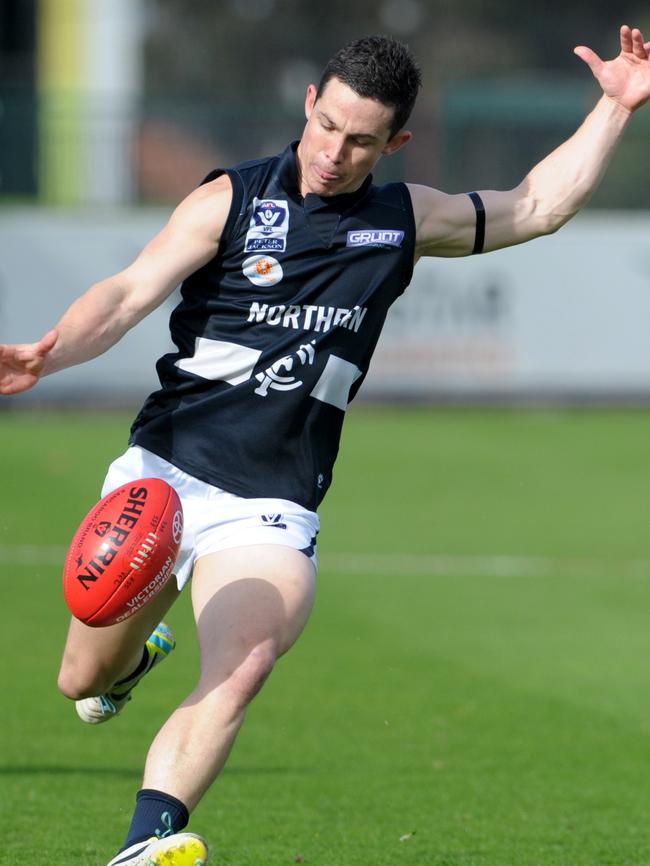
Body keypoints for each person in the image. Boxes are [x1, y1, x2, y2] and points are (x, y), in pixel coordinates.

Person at [1, 25, 649, 866]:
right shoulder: (229, 199)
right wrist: (49, 352)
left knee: (241, 663)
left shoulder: (400, 220)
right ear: (308, 104)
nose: (334, 153)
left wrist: (614, 105)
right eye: (327, 127)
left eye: (361, 140)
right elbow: (128, 293)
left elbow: (536, 207)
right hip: (161, 478)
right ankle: (124, 670)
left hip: (270, 506)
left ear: (395, 143)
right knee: (79, 680)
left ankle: (145, 842)